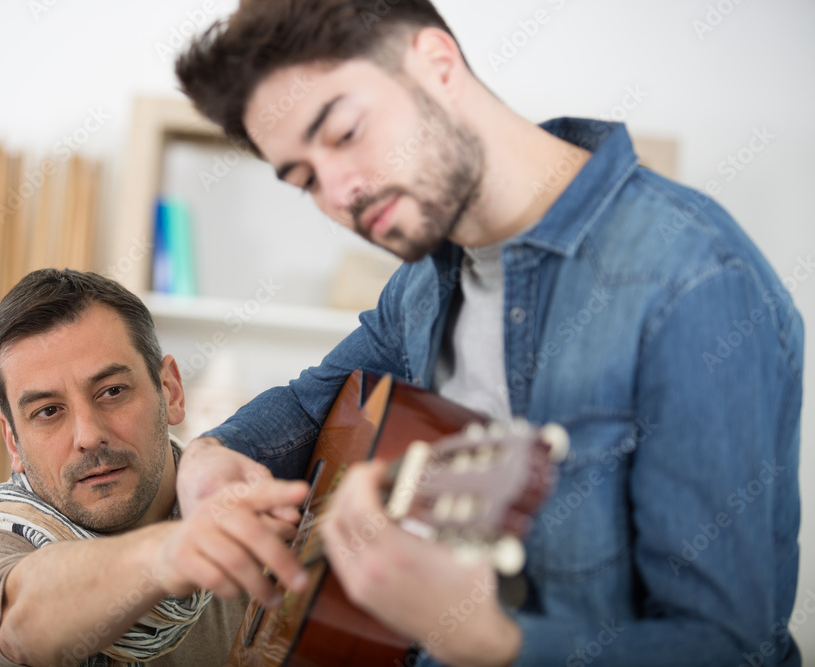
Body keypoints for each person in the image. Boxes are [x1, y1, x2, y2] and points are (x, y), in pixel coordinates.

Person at [173, 1, 805, 665]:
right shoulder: (422, 281)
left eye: (345, 132)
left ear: (438, 65)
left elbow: (725, 645)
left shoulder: (693, 278)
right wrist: (212, 453)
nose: (338, 193)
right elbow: (312, 405)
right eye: (303, 179)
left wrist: (486, 640)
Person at [0, 268, 310, 667]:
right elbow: (14, 622)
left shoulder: (264, 506)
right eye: (48, 411)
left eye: (112, 391)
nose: (88, 435)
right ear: (12, 439)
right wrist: (168, 551)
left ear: (170, 391)